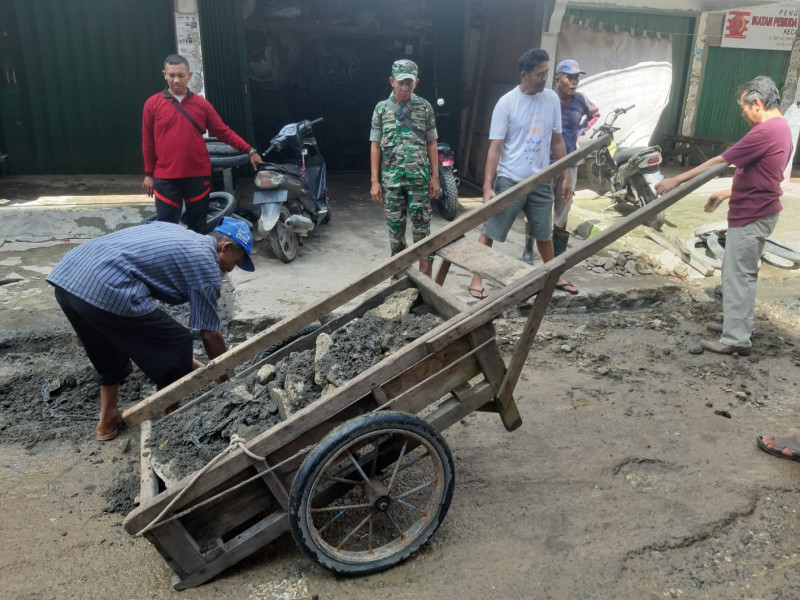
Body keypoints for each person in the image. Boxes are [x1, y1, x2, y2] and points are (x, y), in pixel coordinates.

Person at [46, 217, 255, 441]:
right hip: (105, 284)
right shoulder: (207, 268)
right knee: (177, 343)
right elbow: (210, 334)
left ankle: (107, 420)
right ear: (226, 247)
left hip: (69, 277)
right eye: (235, 262)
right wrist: (227, 381)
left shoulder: (175, 229)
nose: (231, 269)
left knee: (107, 347)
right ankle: (172, 417)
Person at [656, 76, 791, 356]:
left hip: (752, 213)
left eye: (744, 108)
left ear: (757, 102)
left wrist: (676, 180)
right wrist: (727, 192)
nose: (743, 114)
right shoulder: (782, 128)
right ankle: (737, 324)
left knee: (738, 276)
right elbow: (764, 176)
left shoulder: (765, 131)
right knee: (737, 272)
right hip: (757, 210)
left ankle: (736, 339)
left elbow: (721, 160)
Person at [468, 48, 577, 300]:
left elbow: (557, 142)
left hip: (540, 180)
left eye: (547, 73)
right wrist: (487, 186)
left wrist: (565, 175)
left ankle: (554, 275)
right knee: (491, 231)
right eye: (540, 74)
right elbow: (495, 148)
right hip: (510, 179)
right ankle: (476, 278)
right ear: (524, 75)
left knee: (544, 233)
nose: (544, 79)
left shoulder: (550, 100)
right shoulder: (507, 103)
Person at [142, 54, 262, 233]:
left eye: (181, 75)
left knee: (199, 226)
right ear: (164, 74)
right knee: (166, 228)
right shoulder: (152, 104)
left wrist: (249, 150)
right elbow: (147, 141)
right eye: (172, 75)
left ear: (189, 76)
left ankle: (196, 260)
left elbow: (223, 131)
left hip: (197, 176)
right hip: (166, 177)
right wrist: (149, 174)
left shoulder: (201, 105)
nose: (176, 80)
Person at [522, 59, 599, 264]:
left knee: (563, 208)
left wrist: (582, 129)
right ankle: (528, 250)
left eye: (576, 78)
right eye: (569, 78)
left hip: (569, 163)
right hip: (544, 164)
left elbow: (595, 113)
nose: (574, 82)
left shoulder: (581, 101)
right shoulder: (545, 99)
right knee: (536, 208)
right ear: (557, 79)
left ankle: (557, 257)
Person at [370, 59, 439, 277]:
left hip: (419, 181)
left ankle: (425, 283)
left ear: (416, 82)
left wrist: (435, 177)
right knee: (395, 233)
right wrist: (374, 181)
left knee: (423, 235)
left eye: (409, 83)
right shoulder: (381, 110)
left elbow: (432, 142)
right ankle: (398, 279)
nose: (404, 88)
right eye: (400, 83)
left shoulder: (425, 107)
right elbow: (375, 145)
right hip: (392, 183)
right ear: (392, 81)